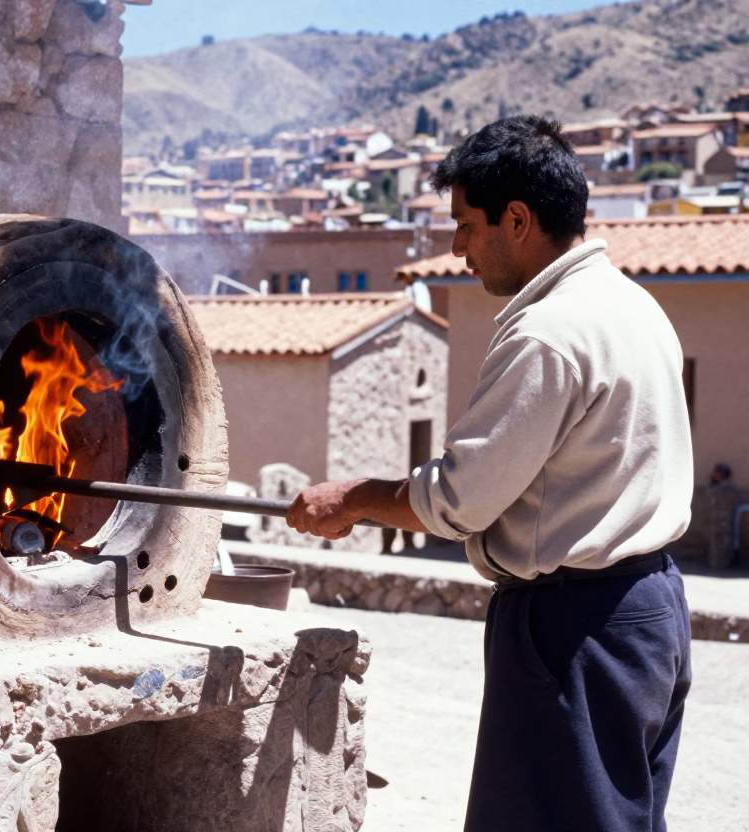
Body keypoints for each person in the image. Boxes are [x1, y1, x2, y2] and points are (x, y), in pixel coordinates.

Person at [287, 115, 692, 832]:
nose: (457, 246)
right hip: (652, 610)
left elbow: (459, 500)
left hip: (577, 630)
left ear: (517, 220)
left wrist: (353, 497)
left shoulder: (549, 332)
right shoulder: (634, 305)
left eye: (466, 225)